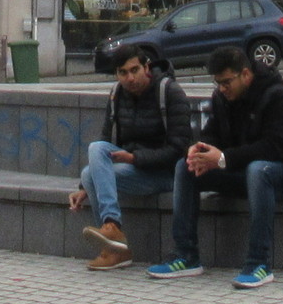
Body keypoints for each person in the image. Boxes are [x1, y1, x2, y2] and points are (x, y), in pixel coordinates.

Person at [148, 47, 283, 289]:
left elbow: (276, 147)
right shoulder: (222, 98)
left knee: (258, 170)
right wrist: (199, 149)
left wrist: (223, 159)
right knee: (185, 167)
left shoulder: (276, 95)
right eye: (218, 83)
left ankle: (259, 263)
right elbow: (212, 134)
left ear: (246, 75)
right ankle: (185, 256)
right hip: (243, 172)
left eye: (227, 82)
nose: (222, 88)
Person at [67, 49, 195, 270]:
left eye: (135, 70)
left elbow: (179, 148)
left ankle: (113, 238)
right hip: (134, 170)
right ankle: (113, 235)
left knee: (91, 173)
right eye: (123, 73)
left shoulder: (169, 91)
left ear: (146, 67)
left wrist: (135, 158)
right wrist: (83, 188)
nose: (130, 78)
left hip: (167, 174)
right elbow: (106, 139)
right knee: (92, 162)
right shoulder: (117, 94)